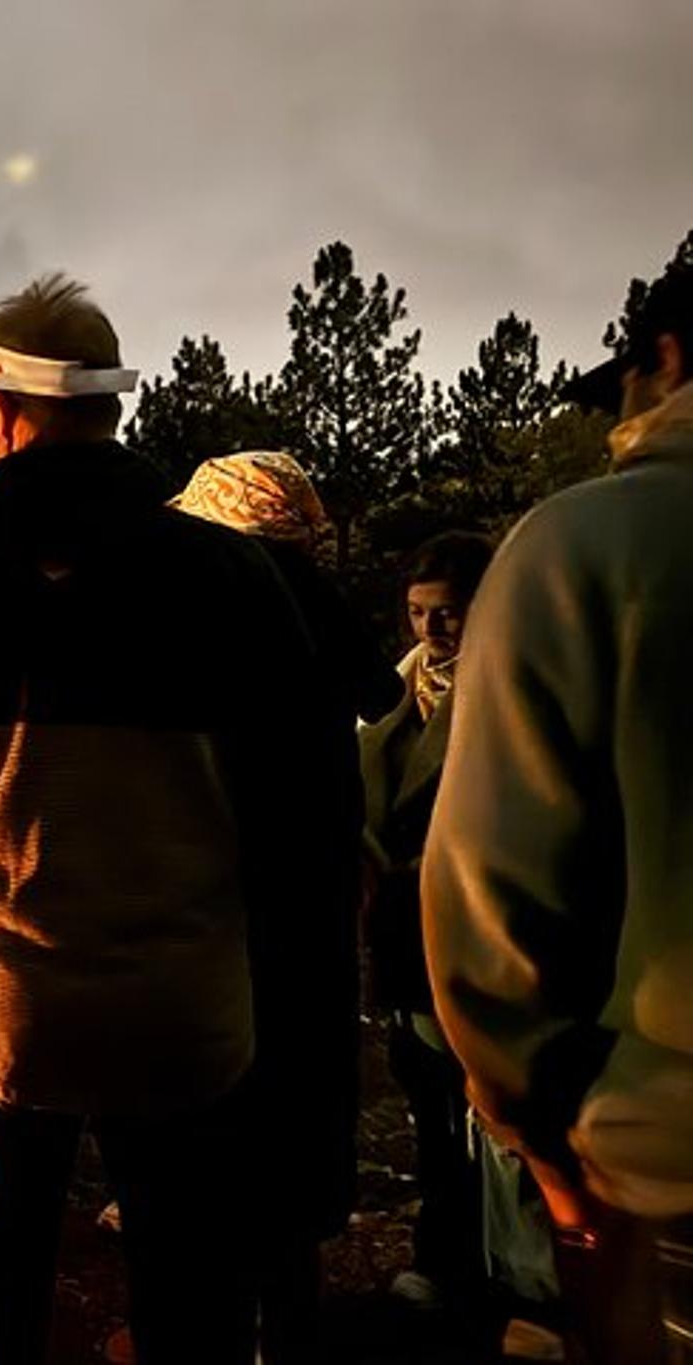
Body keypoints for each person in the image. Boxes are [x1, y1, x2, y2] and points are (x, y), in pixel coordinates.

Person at [0, 274, 334, 1364]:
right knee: (190, 1302)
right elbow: (301, 810)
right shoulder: (234, 576)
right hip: (186, 1013)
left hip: (2, 1009)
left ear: (7, 412)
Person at [425, 264, 693, 1363]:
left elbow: (489, 907)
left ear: (662, 359)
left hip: (659, 1156)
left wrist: (551, 1150)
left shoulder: (587, 546)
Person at [172, 451, 399, 1361]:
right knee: (299, 1131)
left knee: (224, 1136)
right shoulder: (326, 622)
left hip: (225, 929)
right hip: (311, 930)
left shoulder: (218, 622)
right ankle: (289, 1323)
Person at [360, 530, 496, 1312]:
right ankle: (448, 1254)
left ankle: (508, 1267)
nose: (432, 631)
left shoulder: (511, 685)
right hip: (412, 935)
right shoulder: (400, 691)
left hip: (484, 930)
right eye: (418, 614)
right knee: (433, 1105)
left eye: (447, 614)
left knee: (496, 1111)